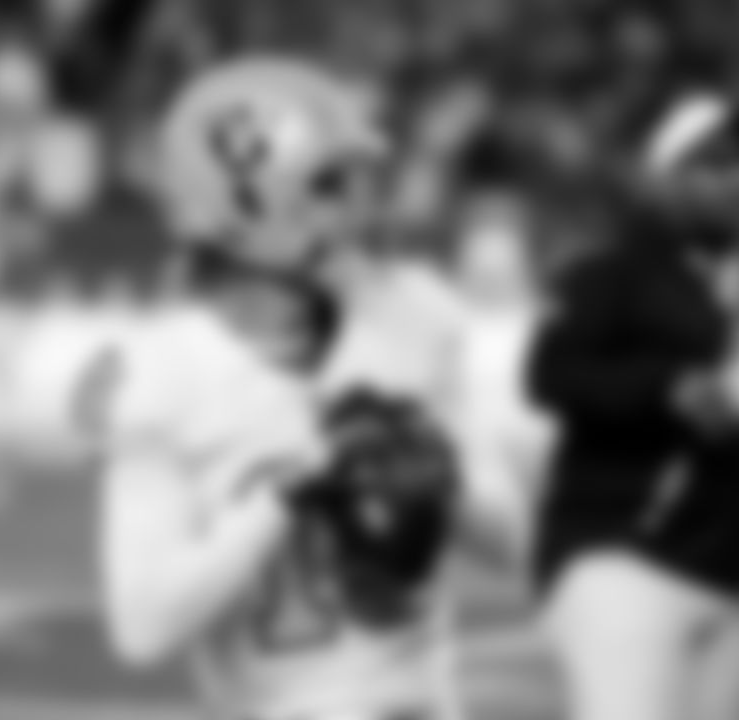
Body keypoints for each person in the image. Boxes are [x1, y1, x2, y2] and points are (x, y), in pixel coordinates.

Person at [96, 56, 530, 720]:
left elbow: (518, 546)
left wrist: (441, 475)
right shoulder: (165, 371)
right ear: (241, 201)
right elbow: (143, 628)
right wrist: (288, 494)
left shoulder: (412, 315)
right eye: (327, 184)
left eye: (358, 180)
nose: (360, 206)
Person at [524, 92, 739, 720]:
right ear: (664, 175)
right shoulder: (608, 273)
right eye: (716, 162)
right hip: (624, 561)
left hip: (731, 578)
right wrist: (665, 387)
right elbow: (550, 374)